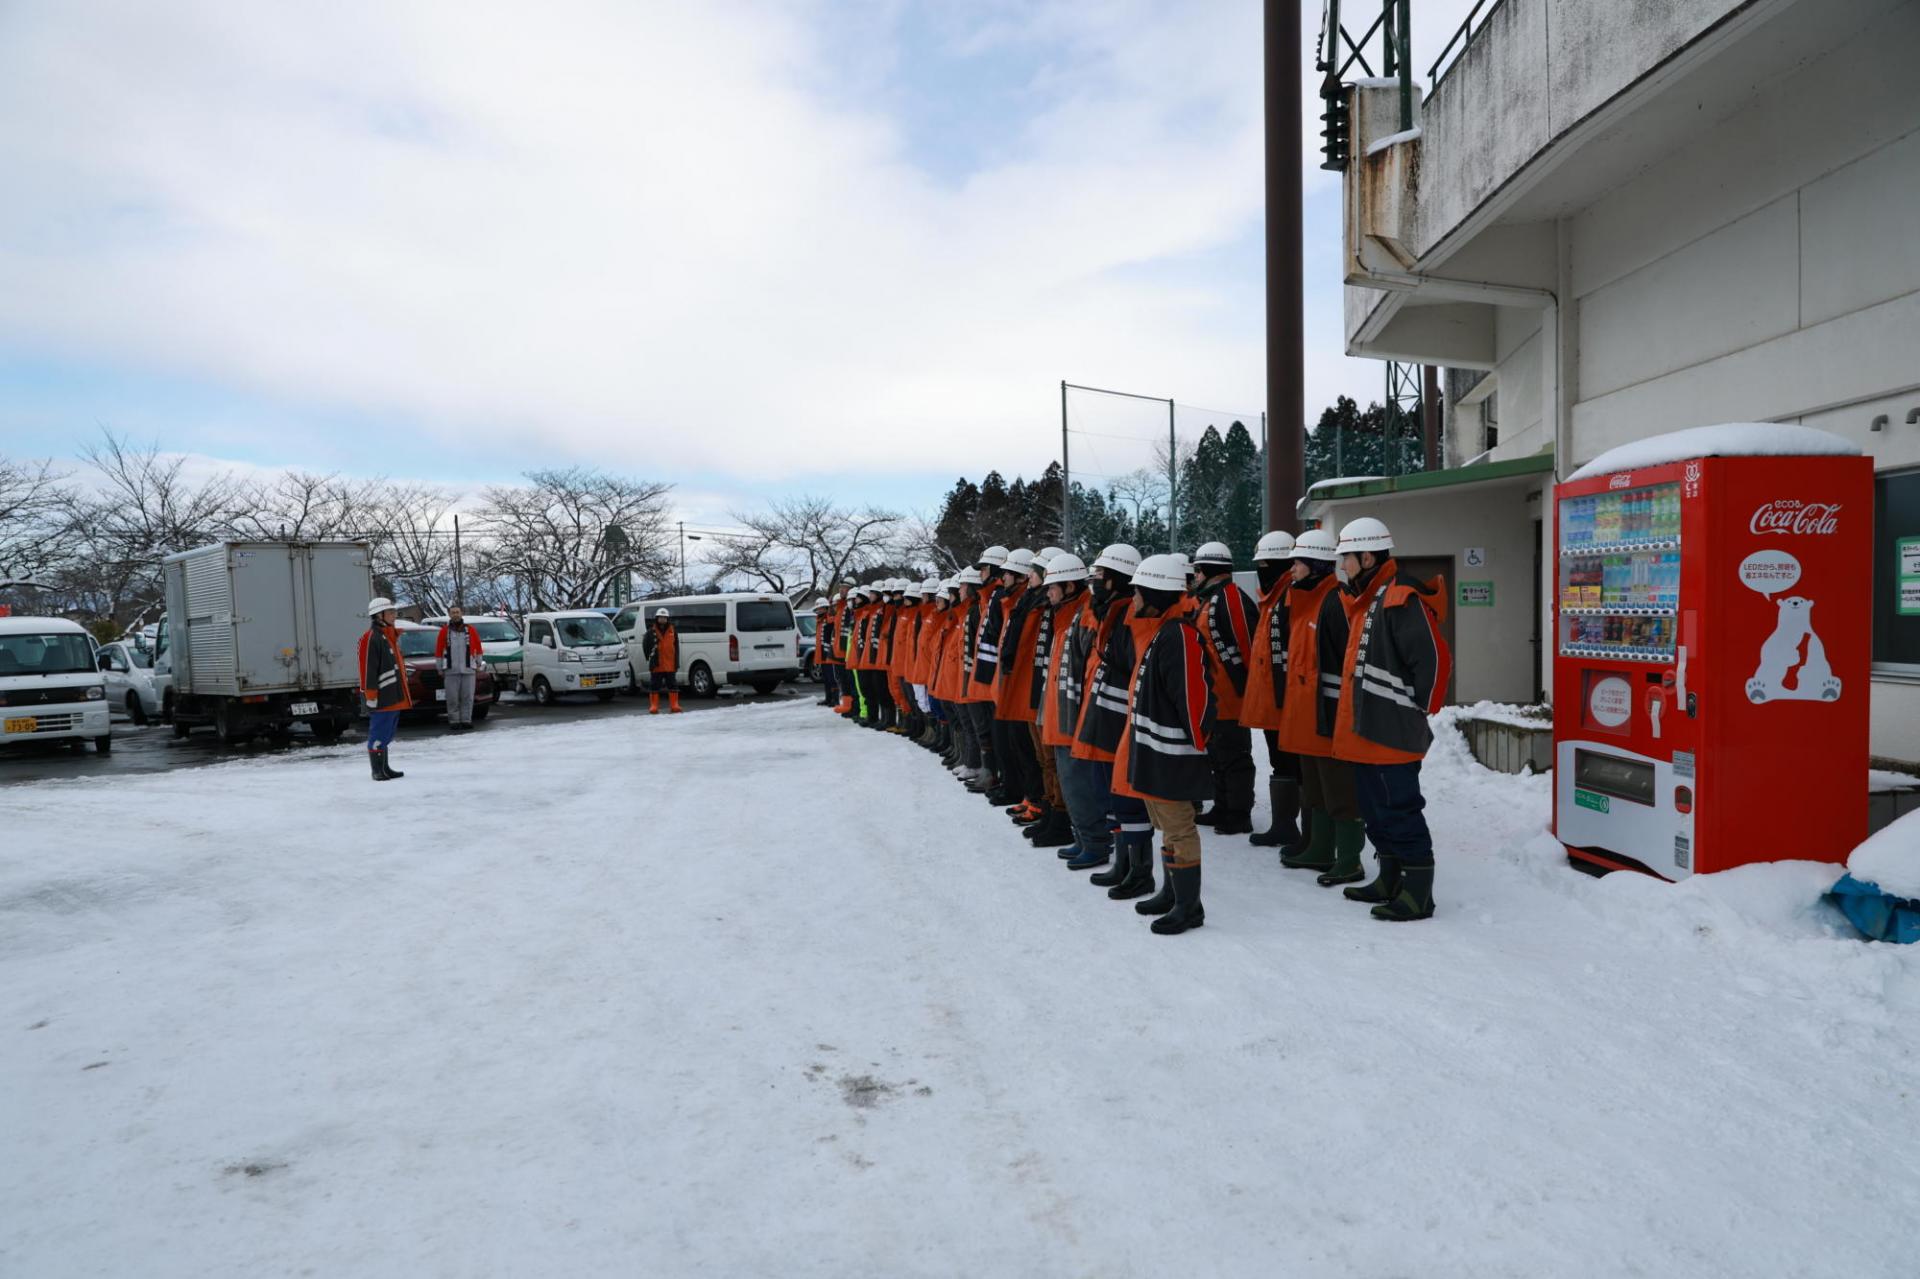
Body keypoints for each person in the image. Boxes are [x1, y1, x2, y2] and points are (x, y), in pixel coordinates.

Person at [1326, 517, 1451, 922]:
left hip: (1391, 732)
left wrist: (1415, 709)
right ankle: (1390, 878)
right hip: (1366, 731)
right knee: (1375, 810)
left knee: (1399, 809)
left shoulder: (1400, 598)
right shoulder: (1367, 599)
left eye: (1346, 558)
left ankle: (1418, 894)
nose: (1342, 566)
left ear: (1367, 557)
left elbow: (1433, 661)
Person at [1109, 554, 1216, 935]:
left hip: (1172, 756)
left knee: (1178, 829)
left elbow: (1193, 697)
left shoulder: (1180, 636)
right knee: (1166, 828)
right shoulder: (1161, 631)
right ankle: (1172, 893)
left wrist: (1198, 746)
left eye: (1139, 591)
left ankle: (1189, 906)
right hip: (1154, 751)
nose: (1134, 599)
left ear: (1154, 594)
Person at [1276, 529, 1368, 884]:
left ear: (1314, 565)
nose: (1292, 570)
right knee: (1316, 787)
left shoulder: (1336, 600)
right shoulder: (1305, 601)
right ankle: (1320, 849)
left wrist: (1345, 713)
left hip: (1331, 716)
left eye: (1297, 563)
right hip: (1307, 716)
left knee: (1340, 789)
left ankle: (1349, 860)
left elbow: (1351, 661)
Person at [1071, 544, 1152, 896]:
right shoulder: (1109, 611)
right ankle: (1123, 862)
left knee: (1128, 798)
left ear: (1118, 579)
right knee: (1108, 792)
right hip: (1104, 711)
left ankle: (1139, 869)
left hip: (1121, 717)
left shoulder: (1129, 614)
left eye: (1101, 576)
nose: (1095, 582)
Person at [1234, 532, 1302, 847]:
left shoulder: (1289, 595)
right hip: (1273, 699)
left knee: (1291, 762)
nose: (1261, 571)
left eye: (1265, 565)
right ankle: (1284, 824)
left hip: (1286, 699)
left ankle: (1293, 827)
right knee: (1281, 761)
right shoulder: (1272, 596)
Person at [1188, 541, 1259, 834]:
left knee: (1234, 756)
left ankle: (1239, 813)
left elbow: (1247, 645)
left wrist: (1245, 688)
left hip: (1229, 694)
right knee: (1218, 755)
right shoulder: (1213, 598)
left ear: (1208, 569)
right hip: (1215, 694)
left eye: (1197, 569)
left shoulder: (1229, 598)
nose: (1195, 575)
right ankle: (1222, 806)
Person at [959, 546, 1009, 792]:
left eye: (984, 569)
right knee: (985, 729)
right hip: (982, 677)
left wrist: (985, 679)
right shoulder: (987, 599)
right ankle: (989, 771)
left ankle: (995, 773)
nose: (981, 574)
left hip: (990, 679)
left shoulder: (997, 598)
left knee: (990, 729)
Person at [358, 596, 412, 780]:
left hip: (394, 695)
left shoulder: (389, 636)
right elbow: (367, 669)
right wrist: (371, 695)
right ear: (378, 615)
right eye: (390, 612)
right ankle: (377, 770)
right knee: (379, 732)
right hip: (381, 696)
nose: (394, 615)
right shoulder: (371, 638)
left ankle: (384, 767)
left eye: (394, 611)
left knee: (387, 732)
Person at [434, 604, 484, 732]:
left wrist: (478, 662)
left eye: (457, 612)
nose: (455, 614)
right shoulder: (444, 631)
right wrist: (439, 667)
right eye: (453, 612)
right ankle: (454, 721)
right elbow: (439, 650)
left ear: (461, 613)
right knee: (452, 698)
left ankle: (466, 720)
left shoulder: (470, 630)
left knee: (468, 697)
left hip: (468, 669)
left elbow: (478, 647)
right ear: (449, 614)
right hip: (451, 670)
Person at [644, 607, 682, 714]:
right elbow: (645, 646)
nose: (662, 619)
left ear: (667, 619)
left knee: (672, 685)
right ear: (657, 618)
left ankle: (674, 705)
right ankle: (654, 706)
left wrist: (676, 662)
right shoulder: (651, 632)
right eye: (660, 617)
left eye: (664, 618)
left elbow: (676, 648)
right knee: (654, 685)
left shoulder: (673, 631)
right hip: (657, 664)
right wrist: (649, 658)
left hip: (670, 663)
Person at [813, 599, 839, 708]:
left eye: (820, 608)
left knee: (832, 678)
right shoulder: (819, 621)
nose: (818, 610)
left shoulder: (829, 620)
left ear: (825, 608)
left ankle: (835, 699)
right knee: (826, 678)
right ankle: (828, 698)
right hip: (822, 654)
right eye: (817, 609)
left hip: (829, 654)